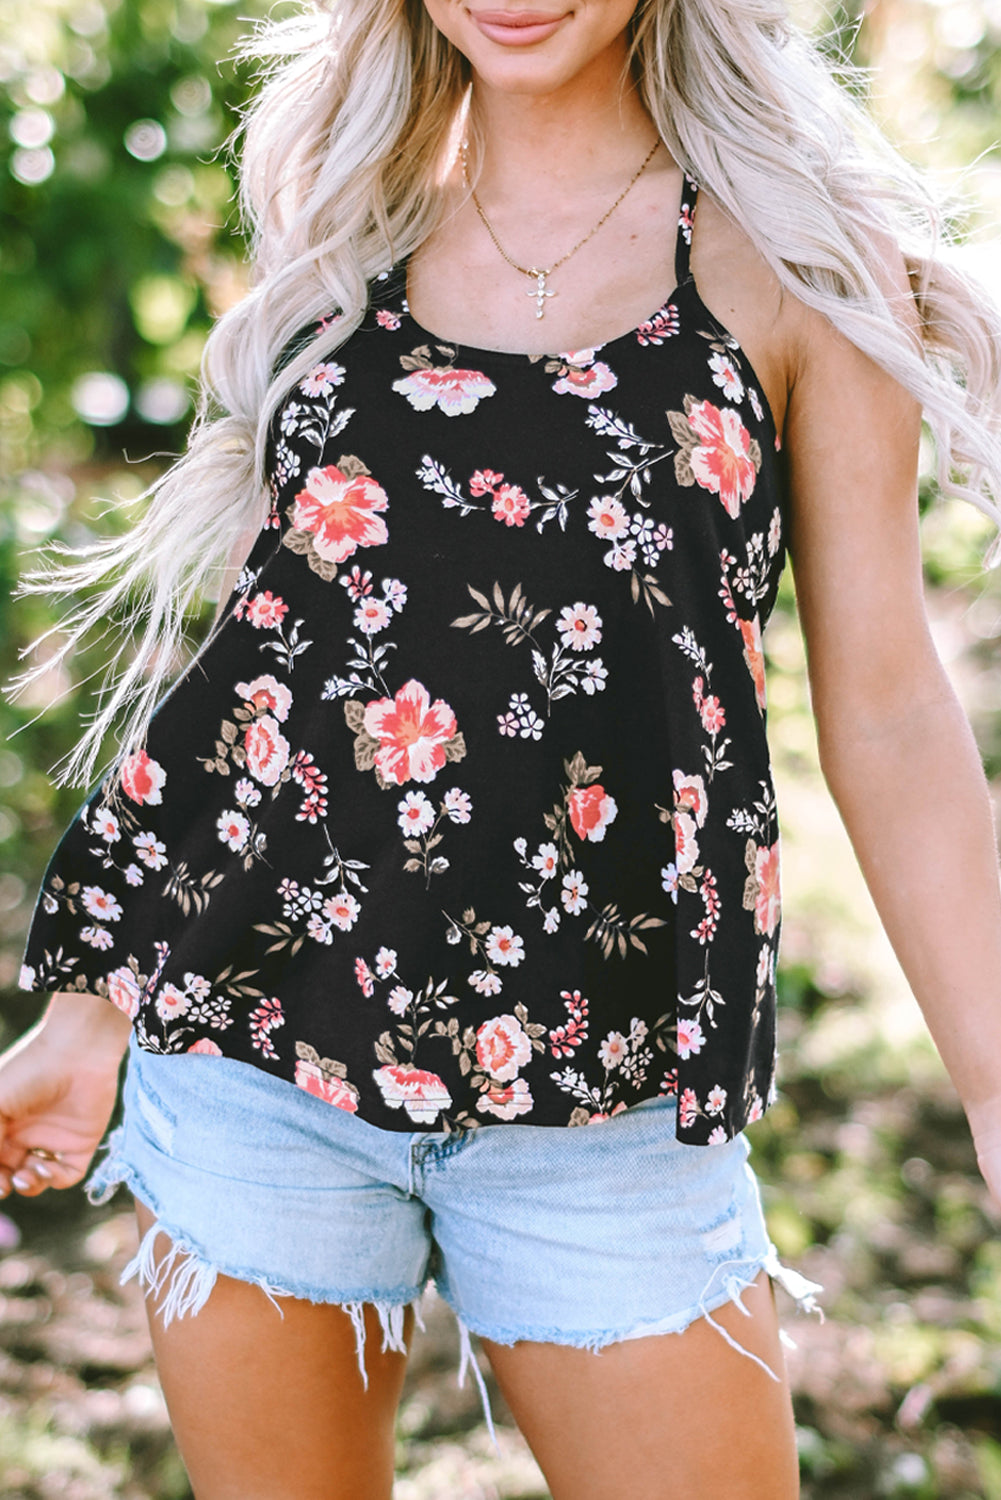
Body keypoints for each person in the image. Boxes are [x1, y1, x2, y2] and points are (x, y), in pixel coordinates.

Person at [3, 1, 1001, 1495]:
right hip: (260, 1068)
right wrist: (93, 1003)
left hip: (609, 1108)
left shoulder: (791, 260)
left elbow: (886, 704)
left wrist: (993, 1077)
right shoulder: (352, 219)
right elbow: (273, 667)